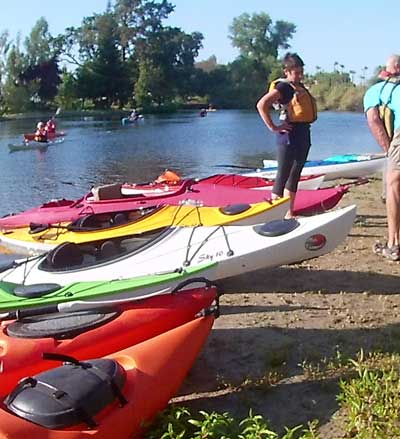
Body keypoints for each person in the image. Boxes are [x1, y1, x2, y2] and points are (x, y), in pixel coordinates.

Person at [256, 52, 317, 217]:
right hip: (288, 135)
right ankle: (275, 214)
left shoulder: (301, 87)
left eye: (301, 72)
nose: (299, 75)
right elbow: (262, 105)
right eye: (296, 72)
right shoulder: (283, 87)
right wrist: (274, 127)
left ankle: (289, 213)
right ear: (287, 72)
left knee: (295, 174)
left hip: (303, 133)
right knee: (282, 174)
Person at [364, 54, 400, 261]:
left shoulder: (376, 90)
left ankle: (393, 245)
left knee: (394, 184)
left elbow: (374, 120)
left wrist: (388, 150)